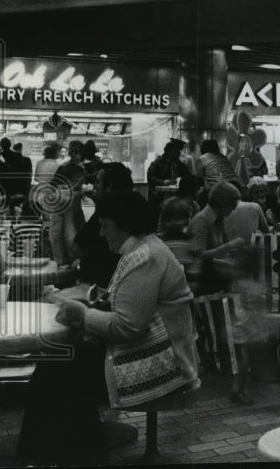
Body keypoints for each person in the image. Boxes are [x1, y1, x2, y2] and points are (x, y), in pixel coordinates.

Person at [18, 191, 199, 465]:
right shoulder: (145, 250)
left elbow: (128, 327)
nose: (101, 234)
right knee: (61, 365)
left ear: (124, 224)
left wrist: (83, 314)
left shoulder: (144, 257)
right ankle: (79, 449)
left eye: (105, 226)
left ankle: (68, 454)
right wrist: (91, 307)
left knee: (58, 371)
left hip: (166, 363)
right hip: (164, 350)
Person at [73, 163, 133, 289]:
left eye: (98, 182)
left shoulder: (108, 212)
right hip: (117, 283)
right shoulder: (129, 209)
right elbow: (85, 237)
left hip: (97, 286)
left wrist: (68, 213)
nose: (94, 186)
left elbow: (75, 250)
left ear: (109, 187)